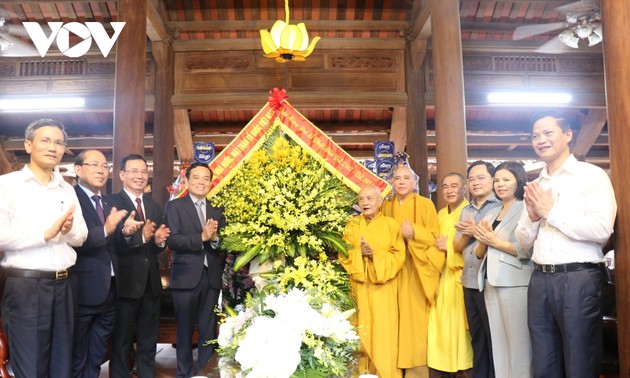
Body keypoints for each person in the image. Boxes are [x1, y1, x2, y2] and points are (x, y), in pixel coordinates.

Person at [515, 111, 616, 378]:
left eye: (548, 133)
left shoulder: (591, 176)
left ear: (567, 135)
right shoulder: (536, 183)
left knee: (580, 360)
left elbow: (601, 229)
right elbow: (523, 242)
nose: (540, 140)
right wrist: (535, 218)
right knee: (544, 362)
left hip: (578, 279)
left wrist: (551, 213)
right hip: (539, 279)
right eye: (535, 136)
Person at [0, 118, 88, 377]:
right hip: (27, 287)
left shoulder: (67, 189)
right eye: (46, 140)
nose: (53, 147)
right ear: (29, 145)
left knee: (63, 365)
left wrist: (68, 229)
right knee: (32, 367)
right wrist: (45, 234)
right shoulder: (7, 185)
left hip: (66, 285)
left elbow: (80, 236)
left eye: (59, 143)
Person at [108, 154, 170, 378]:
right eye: (133, 171)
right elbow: (113, 243)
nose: (140, 176)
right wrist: (140, 238)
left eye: (143, 171)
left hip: (151, 284)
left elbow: (151, 250)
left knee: (148, 340)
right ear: (122, 174)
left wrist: (158, 242)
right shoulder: (112, 203)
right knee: (122, 341)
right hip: (125, 284)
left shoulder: (153, 205)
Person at [71, 150, 132, 378]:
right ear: (78, 170)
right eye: (94, 164)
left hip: (110, 291)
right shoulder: (71, 199)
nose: (100, 170)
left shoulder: (106, 202)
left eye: (104, 166)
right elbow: (73, 241)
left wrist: (125, 232)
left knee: (97, 354)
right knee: (77, 354)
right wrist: (106, 229)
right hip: (83, 290)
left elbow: (112, 244)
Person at [164, 163, 226, 378]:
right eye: (196, 178)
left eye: (206, 178)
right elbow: (172, 240)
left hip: (211, 279)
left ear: (211, 182)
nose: (201, 182)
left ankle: (206, 373)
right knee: (184, 330)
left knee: (209, 331)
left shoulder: (217, 209)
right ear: (187, 181)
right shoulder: (175, 207)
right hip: (185, 279)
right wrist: (201, 238)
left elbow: (225, 244)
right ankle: (183, 374)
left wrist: (216, 239)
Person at [381, 165, 443, 378]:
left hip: (416, 269)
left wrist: (415, 232)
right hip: (390, 270)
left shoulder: (426, 205)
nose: (401, 181)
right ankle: (391, 369)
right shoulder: (385, 207)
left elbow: (436, 237)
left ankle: (417, 371)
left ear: (414, 183)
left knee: (414, 322)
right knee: (392, 319)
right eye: (397, 178)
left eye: (406, 178)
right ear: (392, 182)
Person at [474, 161, 533, 378]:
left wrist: (493, 241)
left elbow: (527, 250)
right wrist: (482, 240)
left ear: (518, 180)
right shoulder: (491, 213)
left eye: (506, 180)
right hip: (490, 282)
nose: (500, 184)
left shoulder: (526, 208)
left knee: (519, 345)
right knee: (499, 344)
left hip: (516, 283)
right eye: (497, 180)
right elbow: (479, 254)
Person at [340, 185, 406, 378]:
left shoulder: (391, 224)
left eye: (369, 198)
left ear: (379, 201)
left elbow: (399, 256)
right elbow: (343, 254)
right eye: (361, 199)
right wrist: (360, 253)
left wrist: (375, 256)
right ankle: (359, 373)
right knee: (358, 332)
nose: (365, 203)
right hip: (358, 287)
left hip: (383, 287)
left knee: (383, 334)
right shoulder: (351, 225)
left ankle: (385, 374)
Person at [453, 160, 500, 378]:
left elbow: (498, 242)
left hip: (491, 281)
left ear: (493, 179)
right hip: (469, 280)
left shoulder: (501, 206)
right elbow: (457, 246)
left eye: (481, 178)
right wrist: (468, 233)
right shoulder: (466, 210)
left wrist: (476, 232)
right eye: (471, 179)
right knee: (477, 335)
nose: (475, 183)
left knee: (494, 336)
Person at [427, 172, 473, 378]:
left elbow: (473, 250)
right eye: (445, 186)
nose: (449, 190)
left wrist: (448, 247)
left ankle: (462, 367)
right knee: (440, 326)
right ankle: (442, 366)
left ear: (464, 188)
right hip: (440, 275)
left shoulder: (469, 213)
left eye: (454, 186)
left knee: (459, 328)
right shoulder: (440, 215)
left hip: (459, 276)